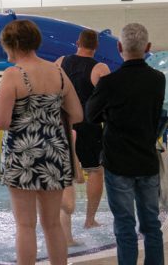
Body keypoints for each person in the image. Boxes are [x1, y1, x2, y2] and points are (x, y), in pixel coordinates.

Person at [0, 20, 82, 265]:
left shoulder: (13, 75)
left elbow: (1, 122)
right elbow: (77, 114)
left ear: (13, 45)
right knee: (52, 224)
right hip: (54, 153)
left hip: (22, 154)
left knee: (25, 225)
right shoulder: (58, 72)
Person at [86, 23, 165, 265]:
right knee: (152, 224)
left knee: (124, 225)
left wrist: (109, 115)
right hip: (147, 160)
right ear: (148, 48)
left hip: (118, 162)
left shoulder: (110, 83)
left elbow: (91, 114)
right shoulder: (158, 79)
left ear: (119, 47)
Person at [55, 29, 112, 229]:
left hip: (63, 123)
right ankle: (89, 220)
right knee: (95, 171)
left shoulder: (61, 62)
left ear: (77, 42)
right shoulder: (100, 68)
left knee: (64, 172)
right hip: (89, 125)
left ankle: (64, 226)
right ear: (96, 46)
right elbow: (109, 99)